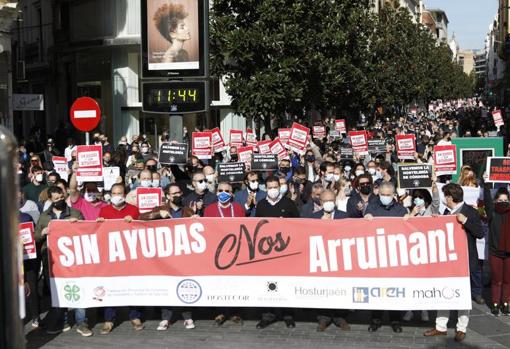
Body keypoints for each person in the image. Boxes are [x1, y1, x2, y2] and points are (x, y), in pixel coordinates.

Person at [423, 183, 483, 342]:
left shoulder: (470, 212)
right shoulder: (446, 212)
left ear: (450, 197)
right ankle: (440, 326)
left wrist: (466, 221)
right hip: (448, 261)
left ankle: (461, 327)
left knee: (463, 296)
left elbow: (480, 233)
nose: (444, 199)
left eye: (445, 196)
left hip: (465, 262)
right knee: (444, 292)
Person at [34, 186, 91, 336]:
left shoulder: (75, 213)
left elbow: (86, 233)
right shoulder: (45, 216)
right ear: (50, 200)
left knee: (78, 288)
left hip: (73, 258)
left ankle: (81, 322)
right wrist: (43, 232)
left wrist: (78, 224)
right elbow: (35, 236)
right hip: (51, 259)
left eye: (61, 198)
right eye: (56, 199)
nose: (59, 201)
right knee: (57, 291)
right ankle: (62, 321)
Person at [96, 183, 143, 333]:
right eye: (114, 193)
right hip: (111, 255)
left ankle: (135, 316)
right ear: (111, 194)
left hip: (130, 255)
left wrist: (134, 220)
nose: (117, 196)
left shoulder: (134, 210)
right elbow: (98, 232)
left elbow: (142, 229)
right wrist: (99, 224)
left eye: (120, 193)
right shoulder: (104, 210)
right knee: (110, 285)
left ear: (125, 194)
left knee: (132, 285)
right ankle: (109, 319)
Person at [255, 176, 299, 329]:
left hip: (285, 251)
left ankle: (288, 315)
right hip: (266, 252)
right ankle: (267, 315)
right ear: (265, 188)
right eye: (270, 187)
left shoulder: (289, 203)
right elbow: (257, 227)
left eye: (276, 187)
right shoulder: (261, 205)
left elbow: (298, 224)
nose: (273, 190)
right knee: (266, 284)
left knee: (286, 283)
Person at [364, 181, 409, 333]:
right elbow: (363, 224)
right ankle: (375, 320)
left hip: (395, 256)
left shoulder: (400, 209)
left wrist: (409, 219)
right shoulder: (372, 207)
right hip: (377, 255)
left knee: (394, 290)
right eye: (383, 194)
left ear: (393, 195)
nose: (385, 197)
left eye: (388, 195)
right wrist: (367, 217)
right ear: (378, 193)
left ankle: (395, 320)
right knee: (377, 289)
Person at [204, 182, 245, 325]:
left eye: (227, 191)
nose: (223, 193)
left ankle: (235, 312)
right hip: (217, 251)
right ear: (216, 192)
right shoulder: (209, 209)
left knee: (235, 282)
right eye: (220, 190)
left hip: (236, 251)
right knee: (218, 283)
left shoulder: (239, 209)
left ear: (232, 193)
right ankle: (220, 312)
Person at [311, 190, 350, 331]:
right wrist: (319, 226)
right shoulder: (314, 217)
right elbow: (307, 237)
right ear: (321, 203)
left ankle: (340, 318)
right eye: (326, 201)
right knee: (322, 289)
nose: (329, 203)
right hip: (320, 260)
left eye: (331, 200)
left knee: (340, 289)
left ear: (335, 201)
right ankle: (323, 318)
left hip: (339, 259)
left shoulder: (344, 216)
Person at [483, 181, 510, 316]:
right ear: (495, 201)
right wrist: (486, 184)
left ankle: (505, 304)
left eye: (505, 200)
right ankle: (495, 304)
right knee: (496, 280)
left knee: (507, 280)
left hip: (509, 254)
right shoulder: (492, 213)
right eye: (500, 200)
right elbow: (487, 200)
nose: (503, 202)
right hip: (495, 252)